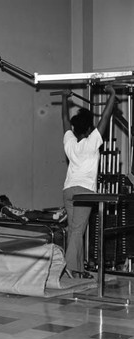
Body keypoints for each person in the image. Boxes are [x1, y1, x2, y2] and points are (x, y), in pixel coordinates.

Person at [61, 85, 116, 278]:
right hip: (83, 192)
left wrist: (64, 99)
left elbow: (65, 120)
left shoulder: (70, 142)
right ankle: (69, 266)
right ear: (90, 128)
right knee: (78, 230)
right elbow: (106, 117)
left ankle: (78, 269)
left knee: (75, 229)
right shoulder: (92, 142)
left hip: (68, 191)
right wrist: (112, 95)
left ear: (76, 129)